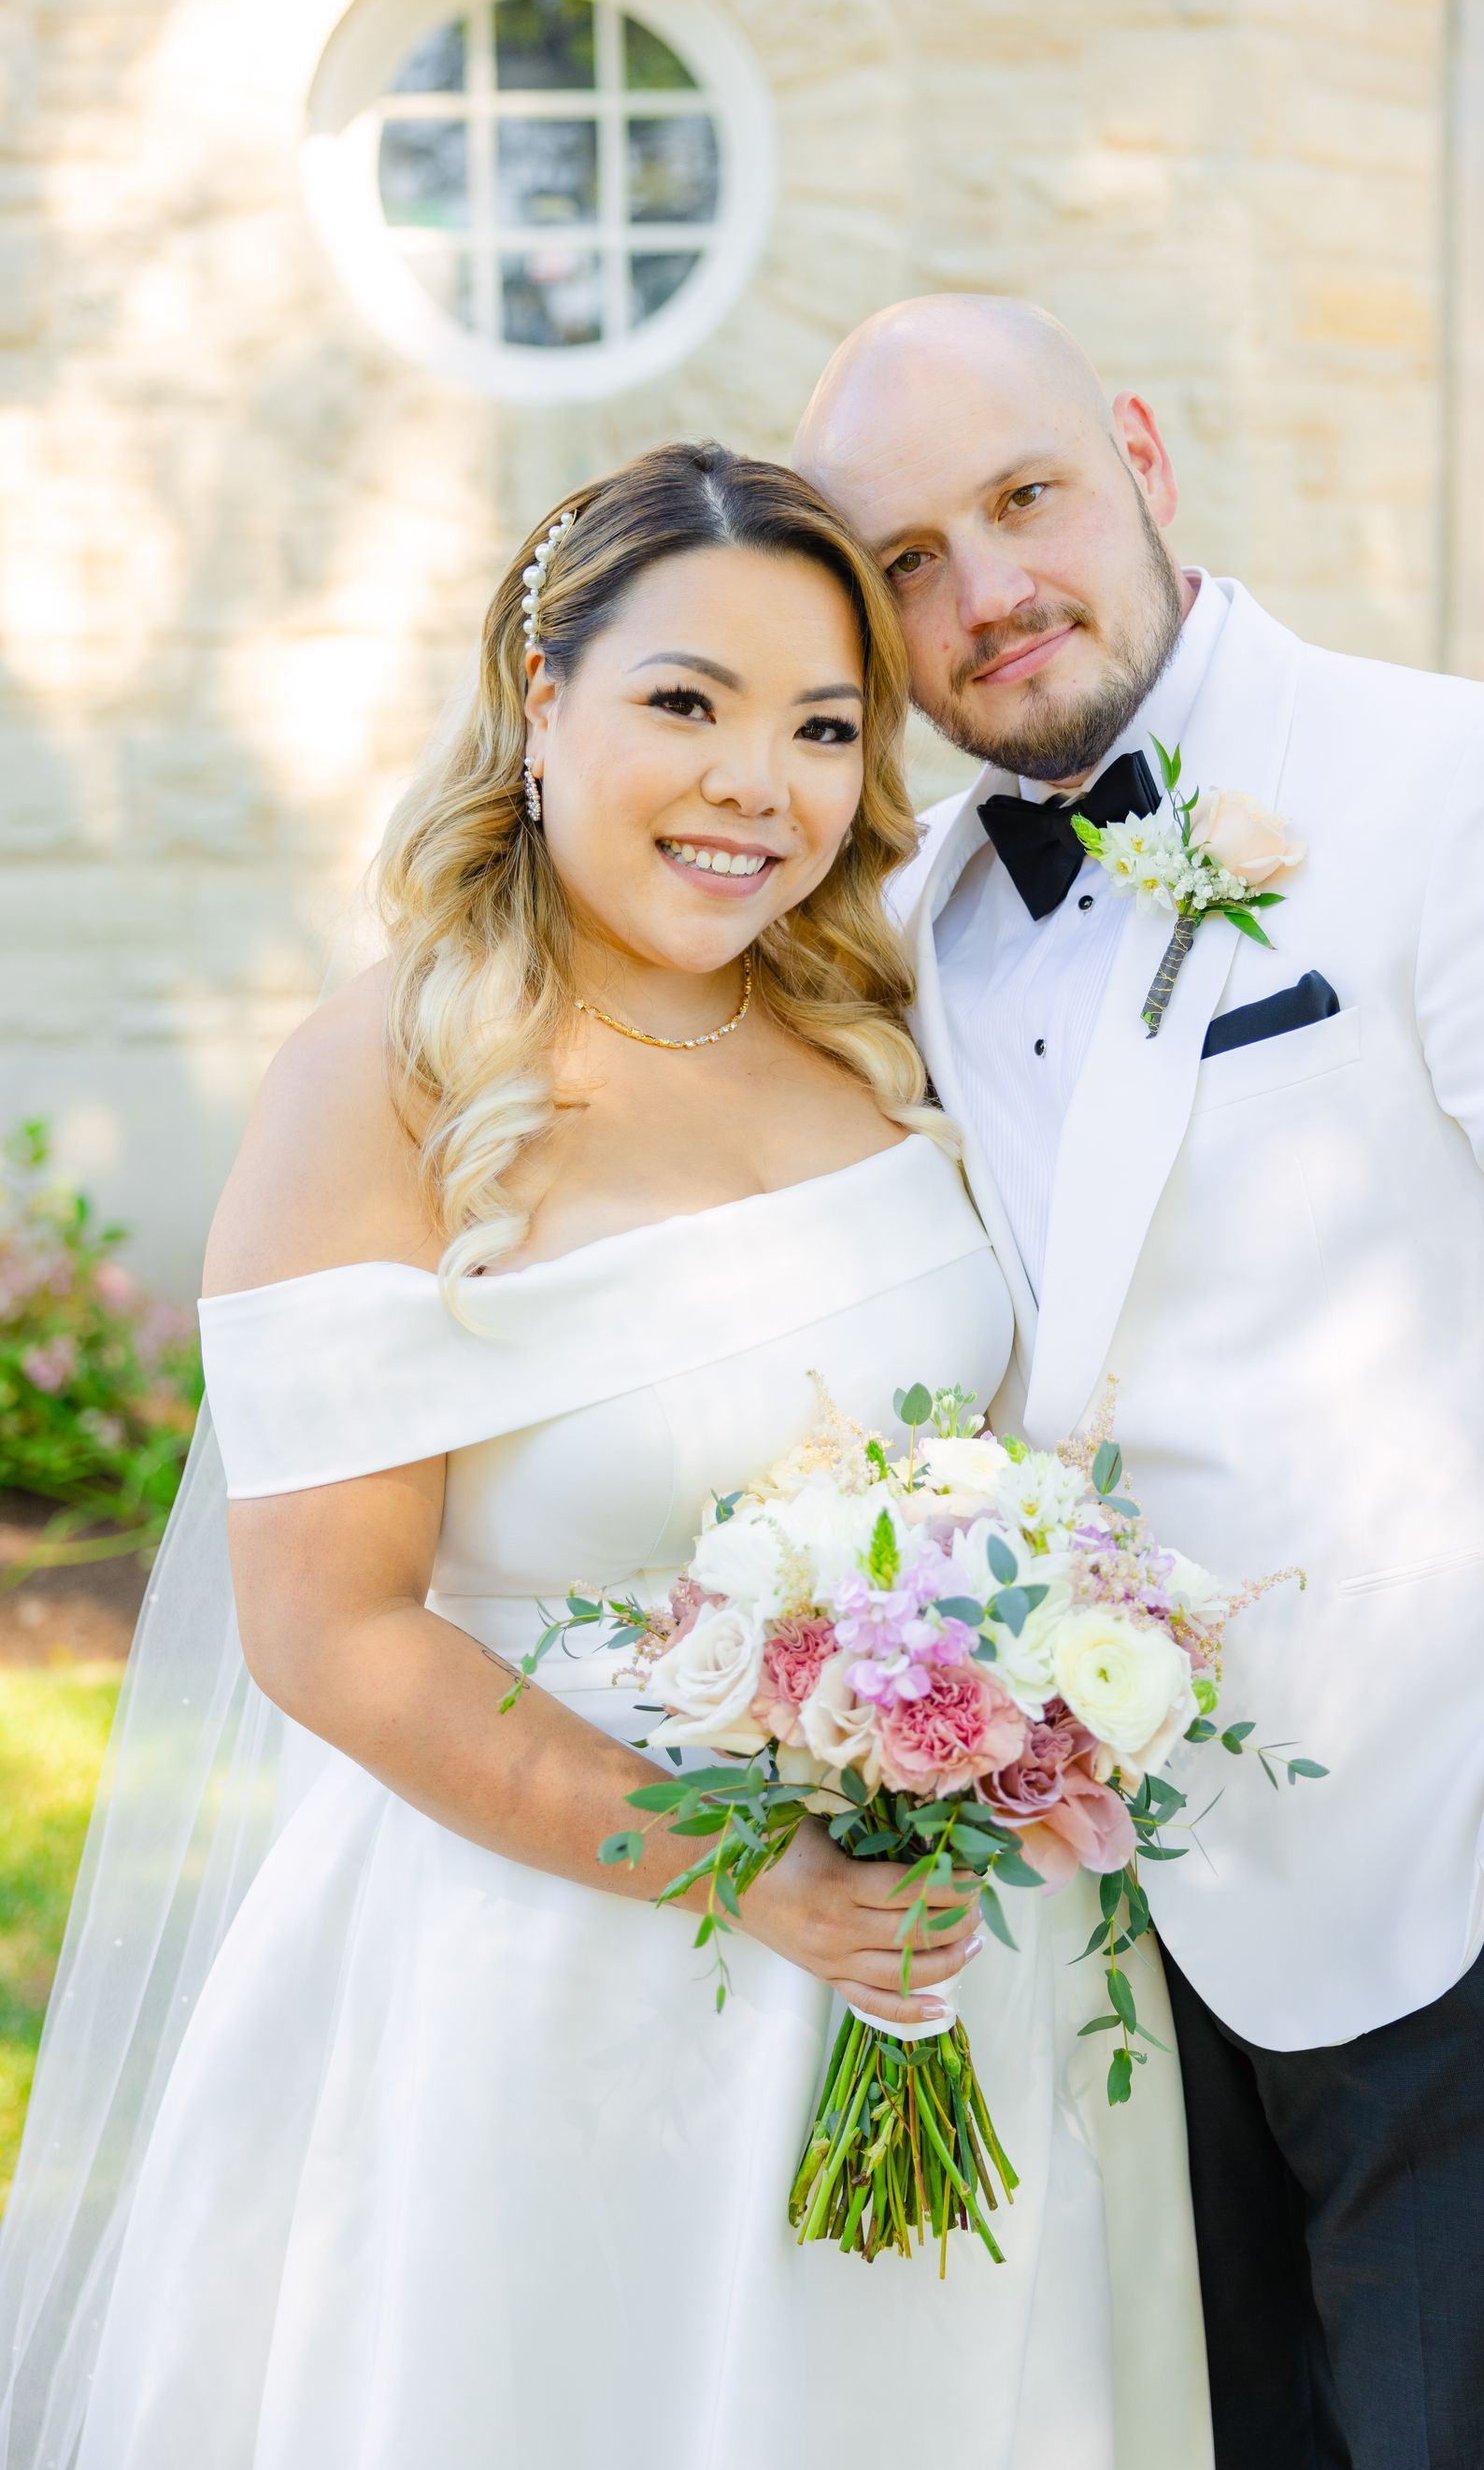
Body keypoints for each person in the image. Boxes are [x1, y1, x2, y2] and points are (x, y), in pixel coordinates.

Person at [0, 443, 1204, 2470]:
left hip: (947, 1949)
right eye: (688, 702)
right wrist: (755, 1880)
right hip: (559, 1977)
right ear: (542, 702)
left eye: (826, 726)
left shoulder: (874, 1022)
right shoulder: (388, 1075)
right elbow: (329, 1631)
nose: (763, 785)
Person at [795, 294, 1484, 2470]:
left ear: (1142, 453)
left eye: (1026, 496)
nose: (987, 593)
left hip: (1458, 1863)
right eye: (903, 562)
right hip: (1109, 1921)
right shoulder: (932, 908)